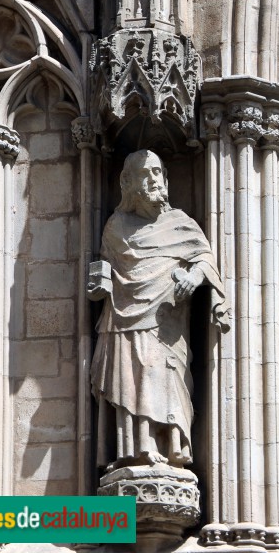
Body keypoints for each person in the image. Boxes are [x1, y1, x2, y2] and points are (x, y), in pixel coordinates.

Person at [88, 149, 230, 470]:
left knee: (166, 375)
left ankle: (173, 448)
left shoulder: (181, 224)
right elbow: (108, 266)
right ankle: (137, 450)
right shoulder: (116, 226)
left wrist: (193, 277)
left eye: (157, 172)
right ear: (127, 182)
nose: (154, 179)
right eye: (145, 173)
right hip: (124, 321)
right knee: (132, 378)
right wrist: (100, 284)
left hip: (168, 323)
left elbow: (205, 260)